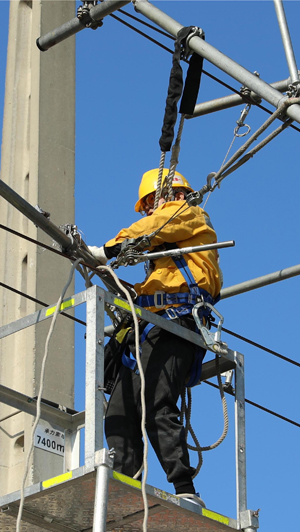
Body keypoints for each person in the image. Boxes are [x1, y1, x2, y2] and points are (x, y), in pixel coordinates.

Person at [88, 169, 223, 508]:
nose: (150, 210)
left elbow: (153, 228)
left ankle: (184, 487)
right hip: (149, 327)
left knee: (156, 404)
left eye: (152, 202)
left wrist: (107, 250)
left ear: (175, 195)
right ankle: (122, 487)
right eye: (147, 204)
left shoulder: (188, 215)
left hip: (176, 326)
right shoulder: (165, 262)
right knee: (119, 412)